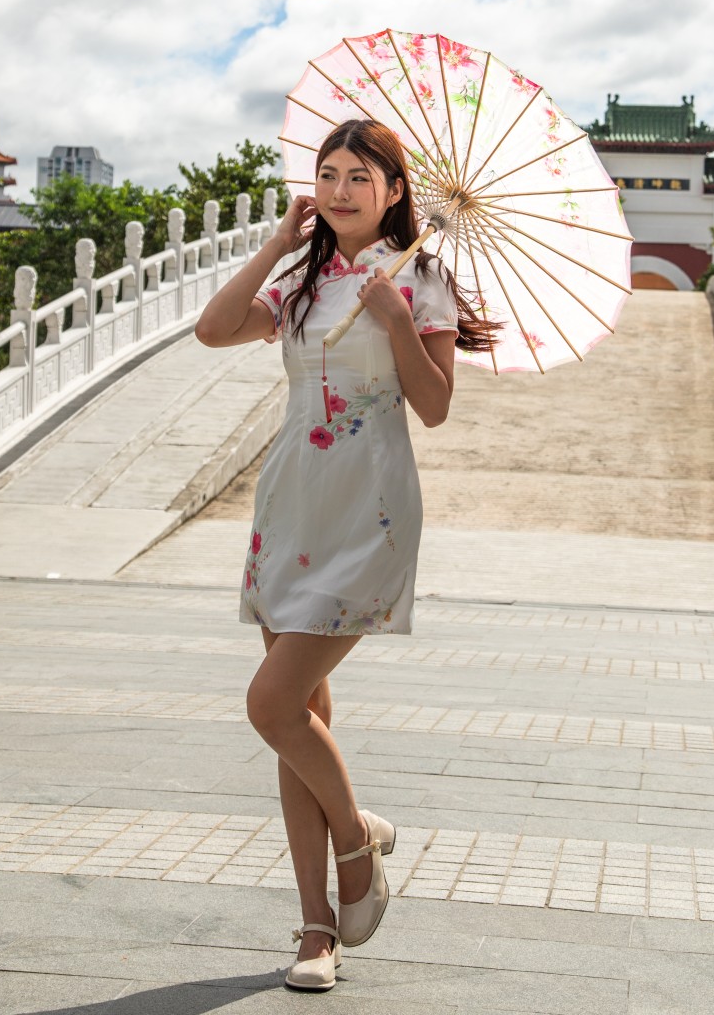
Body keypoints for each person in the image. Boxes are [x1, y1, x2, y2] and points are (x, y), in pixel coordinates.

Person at [195, 118, 500, 992]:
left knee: (273, 703)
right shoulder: (300, 277)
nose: (337, 190)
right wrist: (271, 247)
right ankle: (317, 929)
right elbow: (215, 331)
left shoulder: (425, 276)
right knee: (301, 725)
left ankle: (357, 846)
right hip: (289, 504)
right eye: (326, 175)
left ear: (395, 191)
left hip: (368, 509)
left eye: (358, 176)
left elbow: (434, 407)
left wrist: (395, 317)